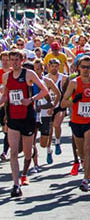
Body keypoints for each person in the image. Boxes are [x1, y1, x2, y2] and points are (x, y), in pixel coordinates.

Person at [1, 50, 49, 197]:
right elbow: (5, 95)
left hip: (27, 117)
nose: (14, 62)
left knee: (27, 153)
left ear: (22, 60)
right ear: (8, 61)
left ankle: (25, 172)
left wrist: (31, 99)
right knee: (14, 152)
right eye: (12, 59)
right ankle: (16, 185)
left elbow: (44, 90)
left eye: (17, 59)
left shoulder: (28, 74)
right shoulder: (6, 76)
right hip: (13, 118)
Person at [61, 55, 90, 192]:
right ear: (78, 68)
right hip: (76, 121)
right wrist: (74, 100)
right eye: (83, 67)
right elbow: (63, 102)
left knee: (88, 147)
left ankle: (85, 180)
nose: (86, 70)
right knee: (81, 151)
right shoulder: (74, 83)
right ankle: (86, 163)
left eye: (88, 67)